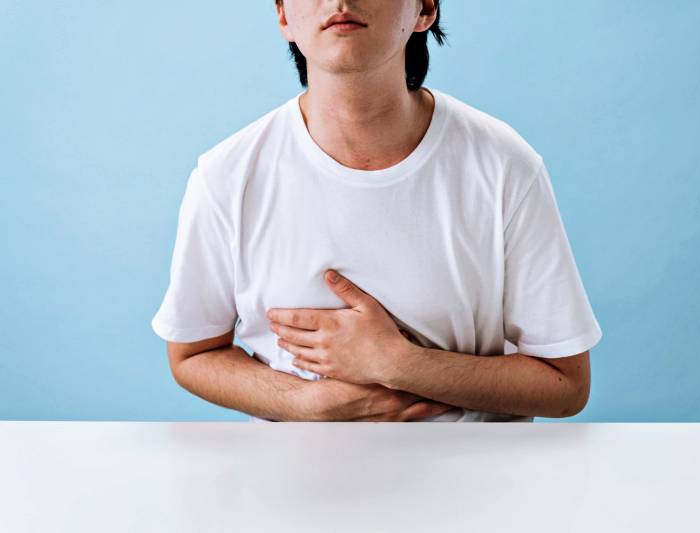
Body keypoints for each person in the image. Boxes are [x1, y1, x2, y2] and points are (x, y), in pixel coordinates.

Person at [151, 0, 602, 423]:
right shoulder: (227, 175)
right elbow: (192, 354)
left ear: (425, 8)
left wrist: (400, 363)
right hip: (293, 475)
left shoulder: (504, 165)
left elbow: (565, 384)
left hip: (472, 475)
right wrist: (308, 404)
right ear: (284, 16)